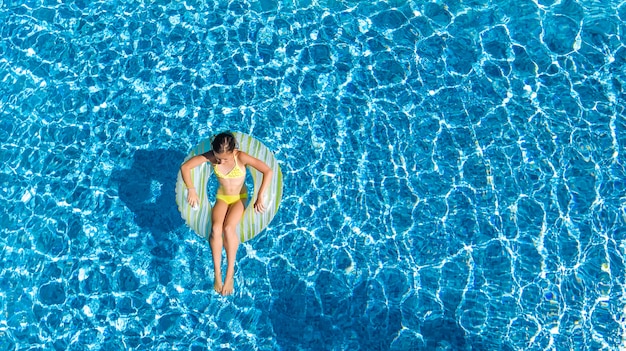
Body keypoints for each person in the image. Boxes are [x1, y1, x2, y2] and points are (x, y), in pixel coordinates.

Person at [180, 132, 273, 296]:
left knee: (229, 228)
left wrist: (260, 196)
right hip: (222, 198)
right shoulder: (212, 156)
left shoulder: (241, 157)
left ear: (233, 151)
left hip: (239, 198)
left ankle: (229, 274)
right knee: (216, 228)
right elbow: (185, 167)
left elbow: (268, 171)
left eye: (225, 159)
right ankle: (217, 273)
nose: (220, 162)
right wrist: (191, 190)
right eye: (218, 158)